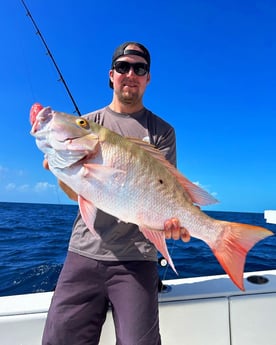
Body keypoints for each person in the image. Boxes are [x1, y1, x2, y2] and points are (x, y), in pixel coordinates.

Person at [42, 41, 190, 345]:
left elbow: (165, 193)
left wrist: (171, 223)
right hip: (84, 251)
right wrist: (63, 170)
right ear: (112, 75)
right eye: (123, 67)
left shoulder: (162, 132)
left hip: (137, 259)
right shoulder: (88, 124)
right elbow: (77, 194)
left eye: (140, 68)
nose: (130, 73)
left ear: (148, 78)